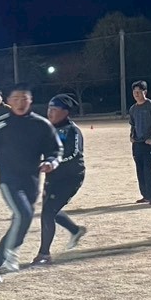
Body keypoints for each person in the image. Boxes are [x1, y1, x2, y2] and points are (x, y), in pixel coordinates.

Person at [0, 82, 61, 283]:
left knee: (22, 220)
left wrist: (51, 162)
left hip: (32, 181)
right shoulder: (0, 124)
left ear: (30, 100)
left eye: (24, 98)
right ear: (9, 101)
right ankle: (11, 251)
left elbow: (55, 149)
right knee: (23, 214)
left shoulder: (41, 124)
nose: (20, 103)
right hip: (9, 180)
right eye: (16, 99)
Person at [32, 93, 88, 265]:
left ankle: (44, 254)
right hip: (52, 177)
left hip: (71, 177)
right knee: (49, 210)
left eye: (54, 109)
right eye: (49, 108)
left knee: (48, 212)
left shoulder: (72, 131)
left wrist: (53, 163)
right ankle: (75, 230)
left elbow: (74, 153)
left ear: (65, 112)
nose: (50, 112)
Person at [128, 80, 151, 204]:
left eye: (139, 92)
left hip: (149, 144)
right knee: (139, 170)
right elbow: (132, 125)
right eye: (134, 92)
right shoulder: (133, 109)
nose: (136, 94)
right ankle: (145, 195)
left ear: (145, 92)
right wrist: (132, 136)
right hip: (137, 144)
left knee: (148, 169)